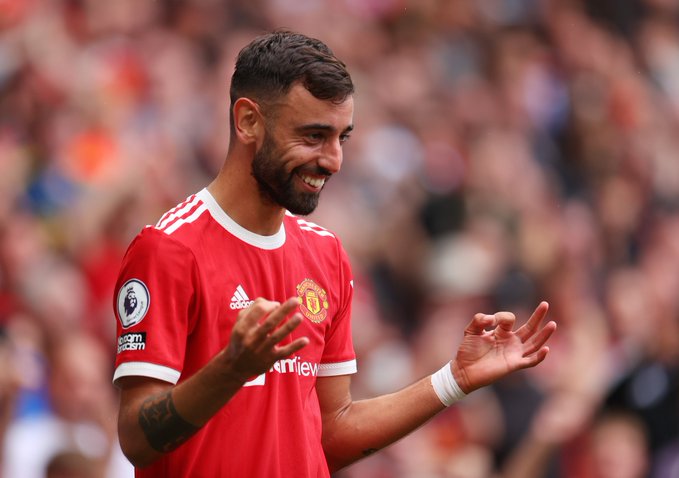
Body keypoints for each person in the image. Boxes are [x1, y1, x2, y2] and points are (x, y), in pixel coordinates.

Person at [112, 30, 556, 477]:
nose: (334, 160)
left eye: (342, 138)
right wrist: (231, 368)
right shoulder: (169, 249)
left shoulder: (325, 254)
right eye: (313, 136)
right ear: (248, 121)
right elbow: (135, 439)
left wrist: (453, 380)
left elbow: (331, 433)